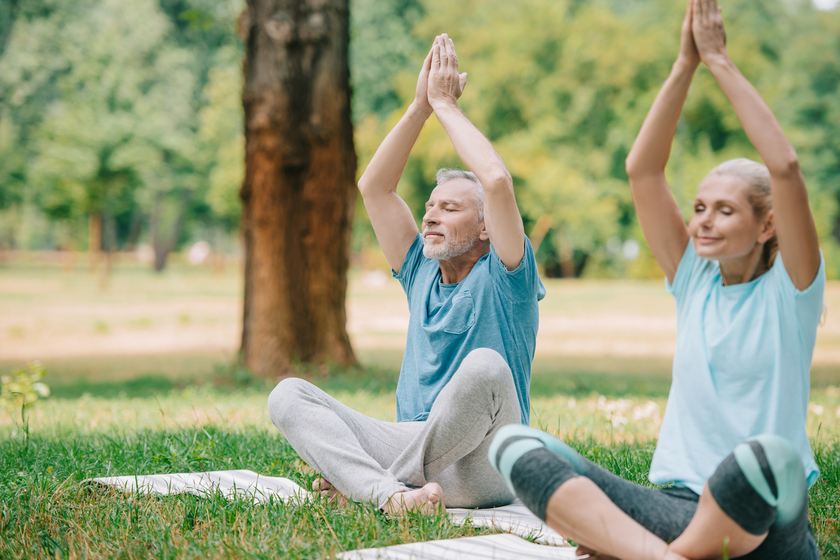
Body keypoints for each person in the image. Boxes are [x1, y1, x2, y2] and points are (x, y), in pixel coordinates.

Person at [489, 1, 823, 558]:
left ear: (768, 225)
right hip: (677, 508)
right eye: (698, 207)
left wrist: (719, 62)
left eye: (724, 210)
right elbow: (642, 169)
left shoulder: (792, 290)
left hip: (766, 521)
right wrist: (683, 65)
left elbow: (785, 168)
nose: (703, 222)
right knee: (514, 444)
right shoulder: (694, 278)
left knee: (767, 456)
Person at [268, 34, 544, 514]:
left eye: (450, 208)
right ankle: (393, 498)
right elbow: (374, 187)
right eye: (430, 206)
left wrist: (445, 105)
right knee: (288, 395)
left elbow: (496, 181)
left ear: (484, 228)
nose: (431, 216)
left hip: (489, 460)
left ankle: (370, 486)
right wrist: (419, 107)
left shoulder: (507, 278)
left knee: (485, 366)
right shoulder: (419, 270)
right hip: (416, 448)